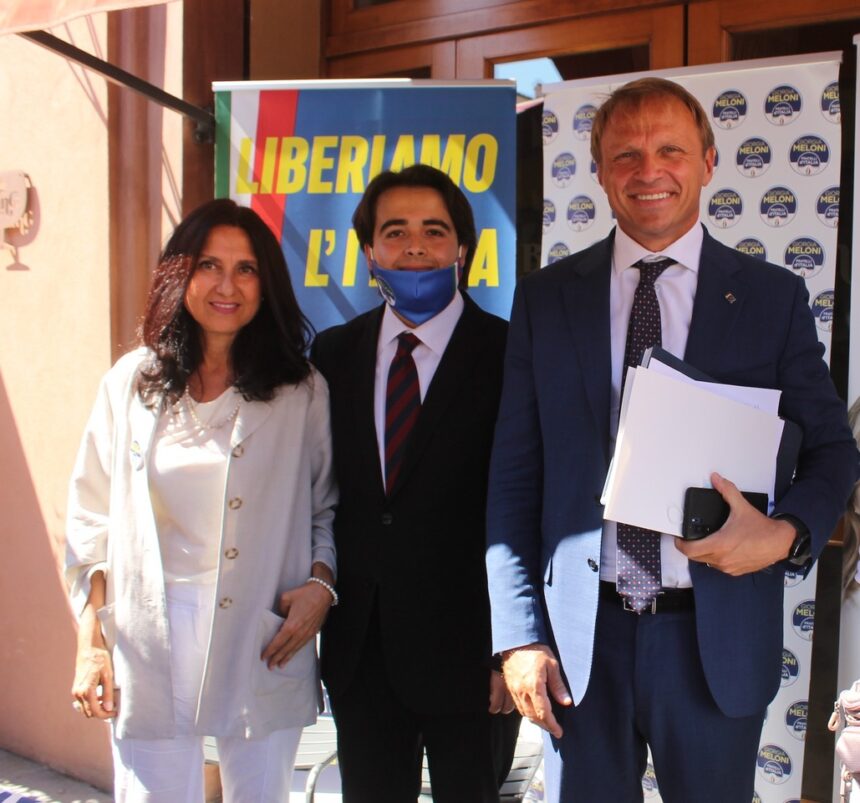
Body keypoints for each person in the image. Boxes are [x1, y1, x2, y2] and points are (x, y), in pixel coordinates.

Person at [486, 77, 858, 803]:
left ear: (709, 162)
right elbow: (514, 475)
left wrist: (783, 535)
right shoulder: (546, 298)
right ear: (597, 171)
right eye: (624, 154)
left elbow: (833, 451)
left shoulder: (770, 298)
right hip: (579, 648)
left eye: (669, 150)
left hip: (712, 643)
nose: (647, 171)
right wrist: (518, 635)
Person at [65, 198, 338, 803]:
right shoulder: (131, 383)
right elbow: (89, 519)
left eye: (246, 269)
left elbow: (327, 507)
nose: (227, 285)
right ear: (178, 274)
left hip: (264, 632)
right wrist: (92, 644)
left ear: (266, 285)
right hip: (147, 633)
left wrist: (321, 586)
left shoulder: (299, 390)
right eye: (209, 265)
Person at [311, 164, 518, 802]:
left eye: (434, 230)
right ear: (369, 251)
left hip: (474, 654)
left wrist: (512, 646)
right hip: (362, 650)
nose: (415, 246)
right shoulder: (333, 354)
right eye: (394, 232)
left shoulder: (511, 353)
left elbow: (528, 503)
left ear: (463, 248)